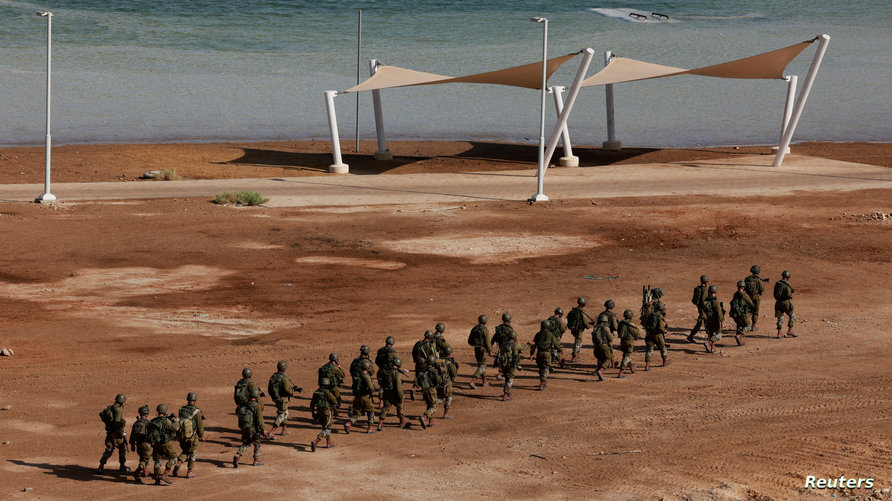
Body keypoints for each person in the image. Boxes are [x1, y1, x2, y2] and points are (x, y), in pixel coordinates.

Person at [173, 392, 205, 478]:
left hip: (182, 436)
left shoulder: (182, 409)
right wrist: (202, 436)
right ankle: (189, 472)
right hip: (192, 437)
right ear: (195, 400)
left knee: (186, 451)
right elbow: (200, 426)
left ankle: (179, 463)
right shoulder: (197, 411)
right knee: (193, 453)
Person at [267, 361, 301, 438]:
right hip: (283, 399)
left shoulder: (274, 376)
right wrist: (293, 390)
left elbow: (269, 389)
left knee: (285, 412)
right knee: (282, 414)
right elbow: (287, 390)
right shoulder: (284, 378)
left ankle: (284, 429)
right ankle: (272, 432)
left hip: (276, 398)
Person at [344, 359, 378, 434]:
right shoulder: (366, 376)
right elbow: (371, 388)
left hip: (357, 396)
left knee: (357, 412)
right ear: (367, 368)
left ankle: (349, 423)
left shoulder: (357, 375)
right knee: (371, 411)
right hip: (365, 396)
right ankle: (370, 428)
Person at [148, 403, 179, 485]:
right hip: (166, 443)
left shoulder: (153, 421)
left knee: (158, 460)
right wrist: (175, 420)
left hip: (155, 444)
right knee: (174, 458)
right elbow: (176, 427)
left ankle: (157, 480)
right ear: (165, 412)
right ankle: (165, 474)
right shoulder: (166, 421)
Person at [233, 388, 264, 467]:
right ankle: (256, 460)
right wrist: (264, 430)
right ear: (256, 396)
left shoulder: (244, 404)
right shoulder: (256, 406)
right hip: (252, 428)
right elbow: (260, 420)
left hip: (244, 427)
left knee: (246, 442)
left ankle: (238, 455)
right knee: (257, 443)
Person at [98, 393, 128, 474]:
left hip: (110, 432)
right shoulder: (118, 410)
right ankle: (122, 466)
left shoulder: (110, 407)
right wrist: (121, 433)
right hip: (116, 434)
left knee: (109, 449)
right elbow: (118, 423)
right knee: (122, 449)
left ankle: (101, 466)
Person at [377, 357, 409, 430]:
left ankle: (381, 423)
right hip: (394, 393)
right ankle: (402, 422)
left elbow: (380, 382)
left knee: (386, 407)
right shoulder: (397, 374)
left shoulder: (385, 371)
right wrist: (401, 397)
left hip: (386, 393)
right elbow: (399, 387)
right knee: (400, 406)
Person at [529, 319, 561, 390]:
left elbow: (533, 345)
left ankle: (542, 381)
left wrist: (531, 354)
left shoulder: (538, 334)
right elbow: (556, 344)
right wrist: (560, 350)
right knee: (545, 367)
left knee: (541, 368)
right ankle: (542, 383)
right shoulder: (551, 335)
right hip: (547, 354)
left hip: (539, 353)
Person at [309, 378, 339, 451]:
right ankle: (316, 441)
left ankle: (328, 442)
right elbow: (335, 401)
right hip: (326, 412)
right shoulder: (327, 393)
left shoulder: (316, 392)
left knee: (325, 427)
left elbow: (312, 404)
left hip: (319, 412)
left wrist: (313, 413)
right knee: (327, 428)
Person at [415, 355, 442, 429]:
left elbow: (418, 381)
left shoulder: (422, 370)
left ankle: (431, 422)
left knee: (429, 405)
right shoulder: (434, 371)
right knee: (433, 406)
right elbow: (439, 381)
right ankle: (424, 417)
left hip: (424, 390)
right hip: (431, 390)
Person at [349, 346, 374, 425]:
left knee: (357, 405)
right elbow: (372, 372)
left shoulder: (355, 361)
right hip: (365, 388)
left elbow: (351, 371)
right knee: (370, 409)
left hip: (356, 386)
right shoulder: (367, 362)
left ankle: (350, 421)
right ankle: (370, 426)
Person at [467, 314, 493, 389]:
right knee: (482, 366)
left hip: (476, 349)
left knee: (481, 365)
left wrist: (475, 345)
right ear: (486, 321)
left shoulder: (474, 328)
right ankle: (473, 381)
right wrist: (490, 351)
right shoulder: (485, 330)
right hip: (483, 350)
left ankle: (485, 381)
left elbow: (469, 341)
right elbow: (488, 342)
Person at [644, 301, 672, 370]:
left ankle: (647, 365)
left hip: (649, 334)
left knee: (649, 350)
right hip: (658, 335)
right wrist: (665, 330)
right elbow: (660, 327)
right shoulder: (659, 316)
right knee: (663, 348)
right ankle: (665, 361)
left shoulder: (651, 315)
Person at [496, 331, 524, 400]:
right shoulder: (516, 345)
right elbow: (523, 348)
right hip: (511, 365)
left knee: (507, 378)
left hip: (504, 365)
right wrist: (530, 344)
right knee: (510, 380)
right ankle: (505, 395)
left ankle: (508, 391)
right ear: (514, 338)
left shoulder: (503, 345)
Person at [566, 297, 594, 362]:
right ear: (584, 304)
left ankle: (577, 354)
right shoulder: (582, 312)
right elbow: (584, 321)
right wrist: (588, 326)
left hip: (573, 328)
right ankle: (574, 356)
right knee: (578, 342)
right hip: (579, 329)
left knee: (577, 340)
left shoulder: (573, 310)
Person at [128, 405, 151, 483]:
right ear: (146, 414)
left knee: (142, 457)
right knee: (145, 459)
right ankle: (136, 472)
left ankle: (145, 471)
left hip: (138, 444)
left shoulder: (136, 423)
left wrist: (132, 445)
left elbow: (132, 435)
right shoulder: (148, 423)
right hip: (146, 444)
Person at [490, 313, 516, 381]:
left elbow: (494, 338)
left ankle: (502, 373)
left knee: (503, 360)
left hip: (501, 347)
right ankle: (500, 374)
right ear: (509, 320)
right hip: (507, 348)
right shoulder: (510, 329)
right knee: (507, 361)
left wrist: (490, 346)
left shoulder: (499, 328)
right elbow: (513, 339)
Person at [730, 280, 755, 346]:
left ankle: (740, 341)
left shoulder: (735, 294)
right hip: (743, 314)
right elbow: (751, 303)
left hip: (735, 314)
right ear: (743, 287)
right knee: (748, 326)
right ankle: (739, 335)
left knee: (740, 326)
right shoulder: (744, 295)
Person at [617, 310, 640, 378]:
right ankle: (621, 372)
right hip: (629, 342)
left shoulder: (621, 323)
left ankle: (631, 367)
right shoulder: (631, 325)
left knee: (626, 354)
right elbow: (636, 333)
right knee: (626, 356)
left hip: (623, 342)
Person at [744, 265, 768, 331]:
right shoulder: (758, 280)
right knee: (755, 312)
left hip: (747, 297)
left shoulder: (747, 279)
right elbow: (762, 289)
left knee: (747, 311)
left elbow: (744, 287)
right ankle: (753, 326)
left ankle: (746, 325)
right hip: (756, 298)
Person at [774, 270, 797, 338]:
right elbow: (789, 295)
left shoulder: (778, 283)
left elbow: (774, 294)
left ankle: (779, 333)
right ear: (788, 277)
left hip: (778, 302)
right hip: (785, 302)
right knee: (792, 315)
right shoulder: (787, 284)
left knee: (780, 317)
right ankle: (790, 330)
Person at [702, 285, 725, 353]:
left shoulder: (706, 300)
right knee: (719, 334)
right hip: (715, 319)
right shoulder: (716, 301)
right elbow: (719, 312)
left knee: (711, 334)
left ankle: (711, 348)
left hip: (708, 319)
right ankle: (709, 343)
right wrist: (722, 321)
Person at [687, 275, 710, 342]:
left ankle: (691, 336)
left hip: (700, 308)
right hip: (703, 309)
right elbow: (703, 300)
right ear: (706, 282)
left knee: (700, 322)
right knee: (706, 322)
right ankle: (709, 338)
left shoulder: (698, 288)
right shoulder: (704, 289)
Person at [592, 314, 613, 382]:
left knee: (600, 359)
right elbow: (611, 338)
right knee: (608, 359)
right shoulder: (606, 328)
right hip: (604, 346)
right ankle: (601, 371)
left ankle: (598, 372)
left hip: (596, 346)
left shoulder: (595, 327)